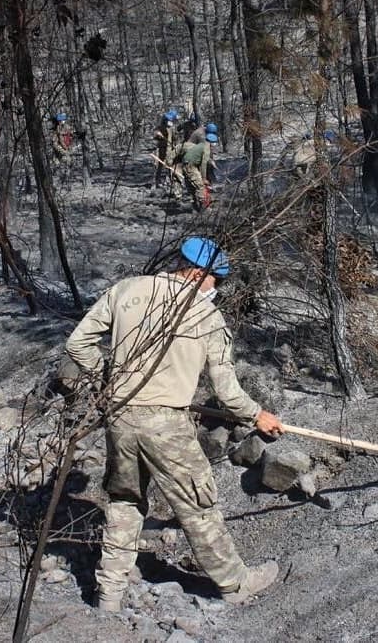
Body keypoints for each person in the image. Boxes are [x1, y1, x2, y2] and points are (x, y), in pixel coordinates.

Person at [65, 236, 284, 612]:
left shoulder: (126, 289)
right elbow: (228, 391)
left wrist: (108, 379)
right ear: (198, 273)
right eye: (216, 280)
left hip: (119, 416)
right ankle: (235, 584)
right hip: (166, 422)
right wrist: (257, 415)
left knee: (124, 500)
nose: (217, 288)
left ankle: (110, 594)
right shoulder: (206, 316)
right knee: (197, 504)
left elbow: (78, 344)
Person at [180, 132, 218, 211]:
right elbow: (203, 164)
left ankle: (195, 206)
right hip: (190, 166)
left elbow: (200, 158)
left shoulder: (202, 145)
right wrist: (204, 178)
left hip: (186, 165)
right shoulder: (206, 148)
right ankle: (204, 207)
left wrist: (210, 161)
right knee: (200, 186)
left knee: (192, 187)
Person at [153, 109, 182, 198]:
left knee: (170, 167)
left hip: (170, 150)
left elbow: (177, 139)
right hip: (160, 149)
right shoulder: (161, 126)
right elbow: (155, 133)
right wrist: (157, 134)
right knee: (158, 166)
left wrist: (176, 147)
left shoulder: (174, 128)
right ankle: (156, 183)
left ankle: (169, 183)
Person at [51, 112, 74, 182]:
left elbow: (70, 137)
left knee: (69, 163)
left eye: (64, 120)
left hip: (65, 150)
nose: (63, 122)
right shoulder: (55, 131)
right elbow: (55, 144)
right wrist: (63, 151)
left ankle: (66, 181)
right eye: (61, 120)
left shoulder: (66, 128)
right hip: (59, 152)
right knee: (59, 166)